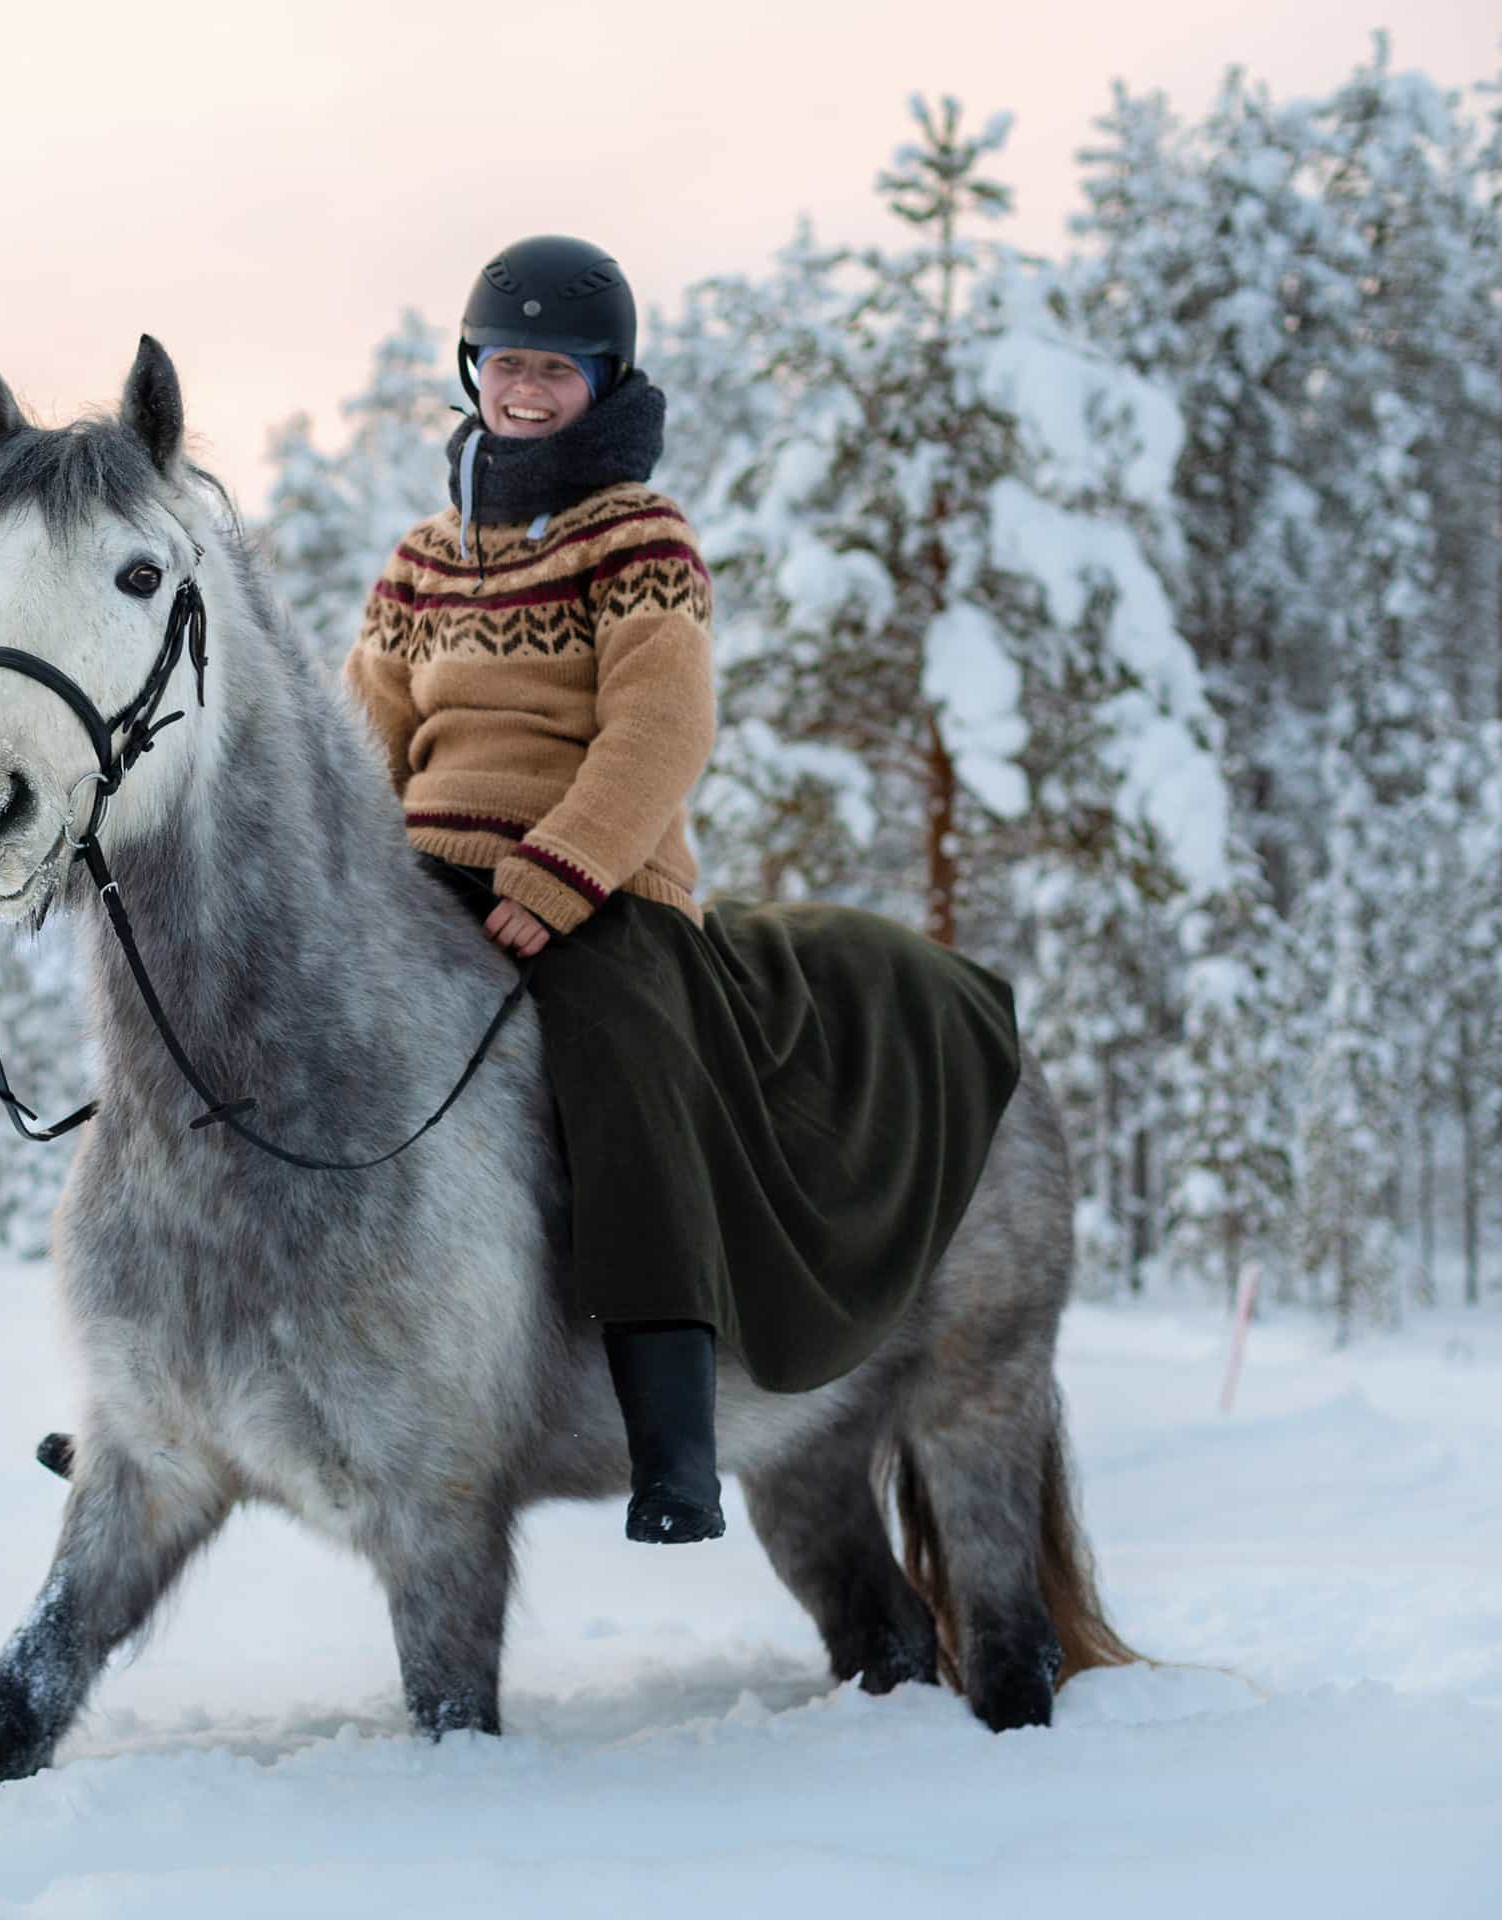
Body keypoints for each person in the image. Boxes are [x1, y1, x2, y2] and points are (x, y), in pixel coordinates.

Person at [344, 235, 1025, 1546]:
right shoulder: (422, 559)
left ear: (604, 383)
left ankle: (672, 1442)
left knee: (625, 1078)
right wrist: (340, 884)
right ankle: (178, 1395)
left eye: (557, 370)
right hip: (416, 880)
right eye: (507, 363)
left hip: (599, 889)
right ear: (472, 369)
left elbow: (661, 728)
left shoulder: (638, 535)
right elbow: (365, 733)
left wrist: (557, 876)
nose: (526, 390)